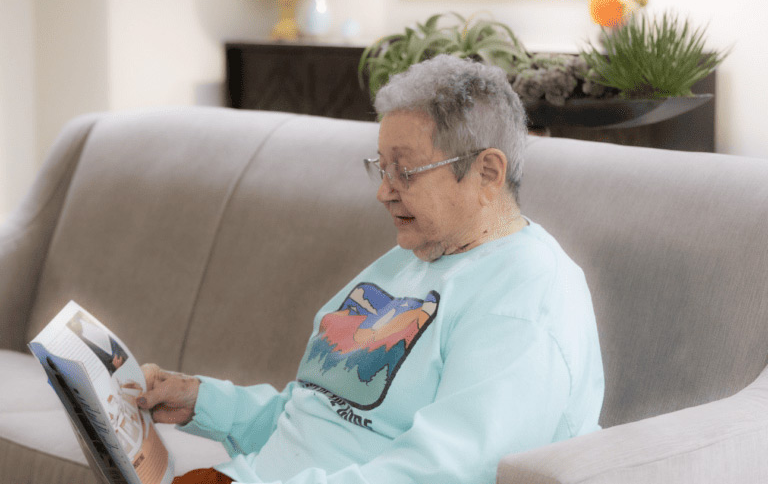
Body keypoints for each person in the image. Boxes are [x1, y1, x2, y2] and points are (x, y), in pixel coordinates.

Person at [138, 54, 605, 484]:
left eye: (405, 172)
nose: (384, 191)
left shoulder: (526, 297)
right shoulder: (413, 257)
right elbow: (318, 413)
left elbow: (443, 473)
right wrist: (204, 401)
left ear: (486, 173)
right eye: (380, 169)